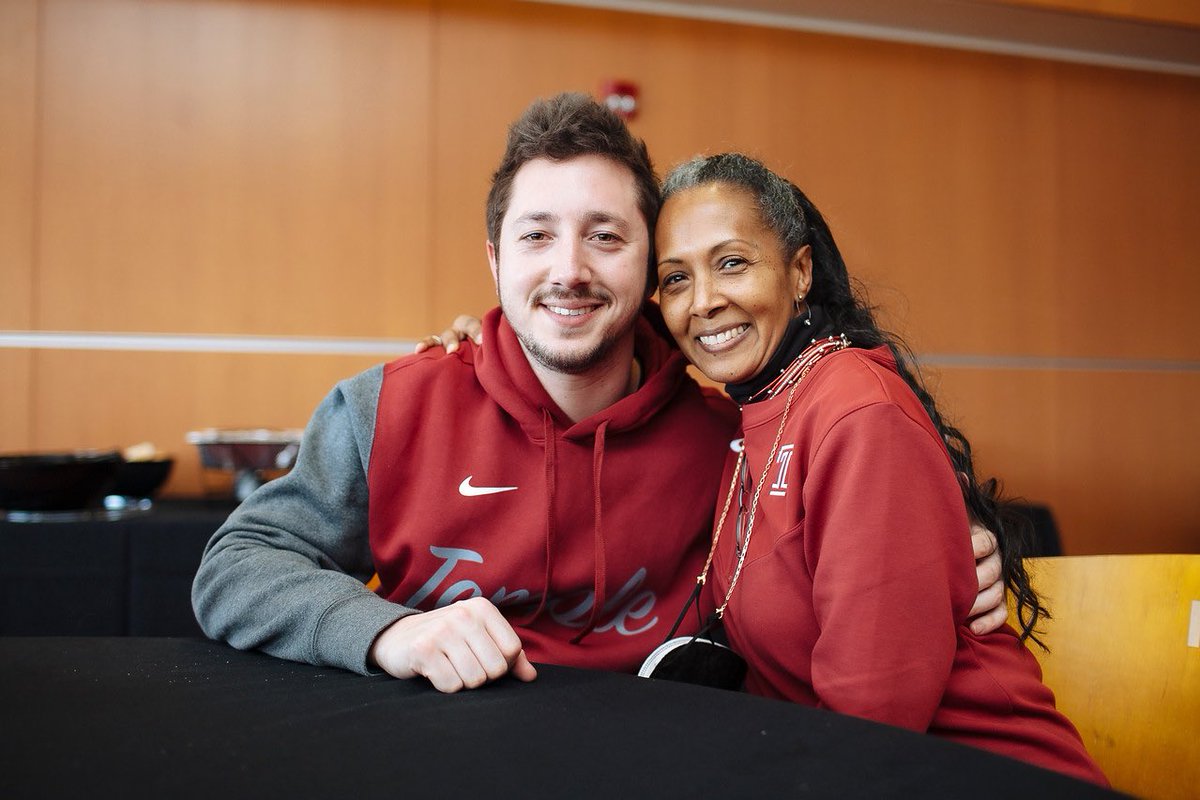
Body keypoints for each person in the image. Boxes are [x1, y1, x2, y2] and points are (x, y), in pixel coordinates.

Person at [192, 92, 1006, 695]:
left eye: (607, 237)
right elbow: (235, 565)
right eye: (537, 235)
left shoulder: (726, 436)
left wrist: (953, 539)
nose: (570, 269)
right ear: (495, 261)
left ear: (649, 271)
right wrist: (391, 631)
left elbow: (850, 517)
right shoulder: (387, 408)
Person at [650, 152, 1106, 784]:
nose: (703, 301)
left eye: (732, 263)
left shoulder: (856, 412)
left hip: (973, 778)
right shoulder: (756, 410)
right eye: (675, 279)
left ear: (799, 271)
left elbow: (871, 719)